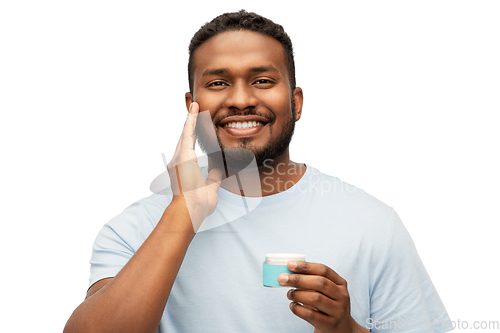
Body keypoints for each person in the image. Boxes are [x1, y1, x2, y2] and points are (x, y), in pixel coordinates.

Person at [64, 10, 453, 333]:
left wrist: (348, 331)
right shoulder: (134, 228)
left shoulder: (372, 223)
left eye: (262, 81)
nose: (240, 99)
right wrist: (184, 209)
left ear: (296, 102)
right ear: (192, 106)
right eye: (217, 83)